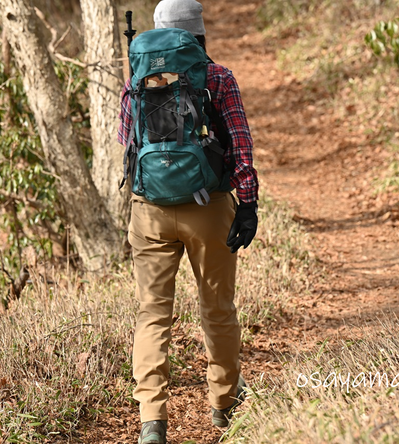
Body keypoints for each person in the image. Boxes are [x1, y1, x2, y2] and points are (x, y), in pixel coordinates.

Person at [117, 0, 259, 442]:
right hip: (209, 209)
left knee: (153, 312)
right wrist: (248, 203)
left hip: (150, 213)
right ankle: (224, 403)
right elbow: (239, 143)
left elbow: (125, 141)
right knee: (217, 308)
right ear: (200, 34)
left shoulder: (138, 79)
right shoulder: (216, 77)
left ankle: (152, 420)